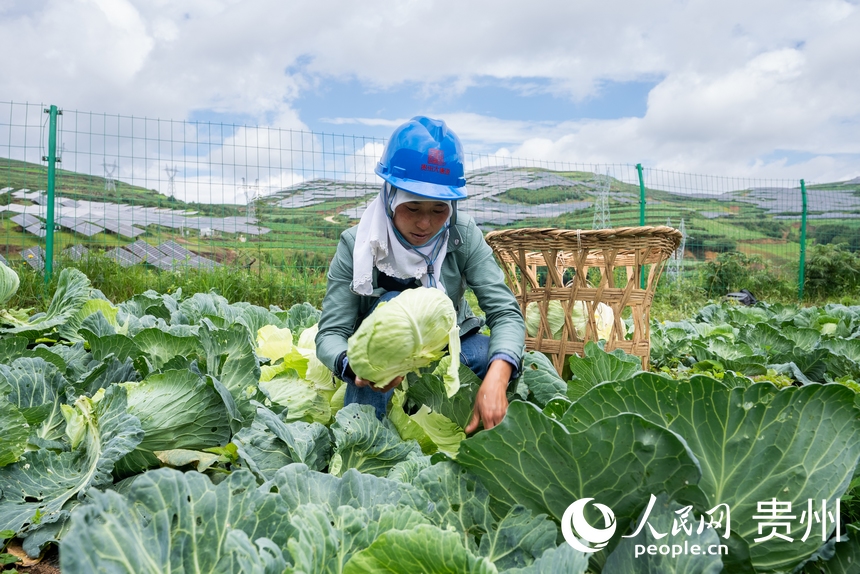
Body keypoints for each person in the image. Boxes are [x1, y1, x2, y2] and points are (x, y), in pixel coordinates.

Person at [315, 116, 525, 433]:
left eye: (439, 209)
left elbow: (505, 312)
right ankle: (364, 443)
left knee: (490, 356)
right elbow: (330, 333)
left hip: (445, 350)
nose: (425, 224)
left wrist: (498, 373)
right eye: (412, 208)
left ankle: (465, 431)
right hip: (381, 365)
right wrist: (350, 364)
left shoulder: (463, 234)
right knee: (395, 303)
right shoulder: (357, 244)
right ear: (389, 198)